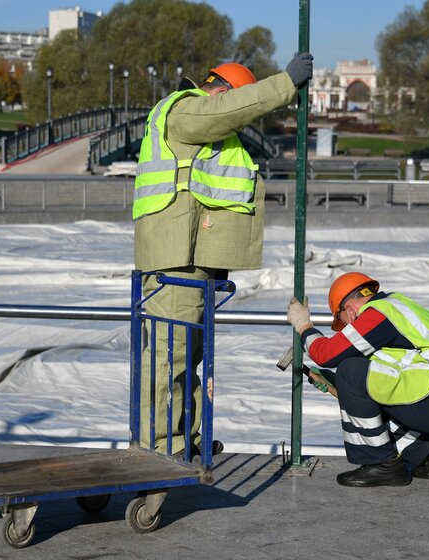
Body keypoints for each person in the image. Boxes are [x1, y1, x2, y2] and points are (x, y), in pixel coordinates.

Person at [134, 53, 314, 456]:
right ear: (222, 91)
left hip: (194, 256)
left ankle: (185, 435)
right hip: (175, 256)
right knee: (171, 354)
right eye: (239, 99)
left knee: (188, 354)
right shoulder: (186, 109)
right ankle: (160, 445)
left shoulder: (207, 128)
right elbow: (227, 111)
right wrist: (283, 85)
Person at [286, 272, 429, 487]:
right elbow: (388, 378)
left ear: (350, 310)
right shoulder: (398, 307)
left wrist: (303, 326)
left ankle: (382, 464)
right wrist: (336, 385)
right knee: (354, 376)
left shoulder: (378, 314)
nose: (347, 330)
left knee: (351, 370)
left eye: (344, 324)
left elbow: (326, 355)